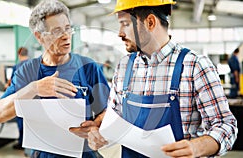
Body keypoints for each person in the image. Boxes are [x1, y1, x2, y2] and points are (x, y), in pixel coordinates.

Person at [87, 0, 238, 157]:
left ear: (150, 22)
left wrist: (197, 147)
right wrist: (98, 132)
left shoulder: (195, 66)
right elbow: (115, 117)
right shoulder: (124, 66)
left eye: (125, 24)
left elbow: (226, 125)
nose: (119, 33)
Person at [0, 0, 109, 157]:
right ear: (39, 37)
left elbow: (107, 111)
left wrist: (96, 125)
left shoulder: (88, 67)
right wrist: (34, 88)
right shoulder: (27, 71)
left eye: (68, 29)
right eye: (56, 31)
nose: (66, 36)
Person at [4, 47, 29, 150]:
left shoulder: (17, 66)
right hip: (33, 98)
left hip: (20, 97)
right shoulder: (34, 65)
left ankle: (21, 142)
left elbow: (11, 83)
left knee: (21, 120)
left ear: (19, 54)